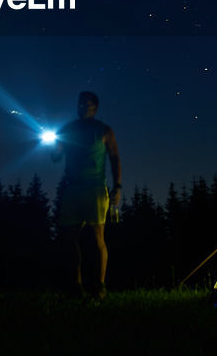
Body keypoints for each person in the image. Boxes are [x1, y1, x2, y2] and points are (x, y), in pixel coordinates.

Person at [51, 90, 121, 299]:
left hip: (95, 189)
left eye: (86, 103)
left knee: (97, 236)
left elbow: (115, 158)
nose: (81, 106)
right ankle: (76, 284)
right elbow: (56, 156)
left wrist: (117, 186)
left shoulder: (104, 131)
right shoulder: (68, 129)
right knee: (70, 238)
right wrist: (55, 148)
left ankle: (100, 286)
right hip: (72, 188)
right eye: (80, 103)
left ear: (95, 107)